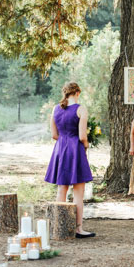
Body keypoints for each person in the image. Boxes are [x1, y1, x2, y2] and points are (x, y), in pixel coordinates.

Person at [44, 82, 95, 238]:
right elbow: (82, 136)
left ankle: (60, 228)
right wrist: (86, 145)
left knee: (62, 190)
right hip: (75, 150)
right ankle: (78, 229)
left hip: (60, 149)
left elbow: (54, 135)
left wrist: (64, 141)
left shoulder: (55, 109)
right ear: (77, 92)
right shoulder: (81, 109)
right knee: (78, 193)